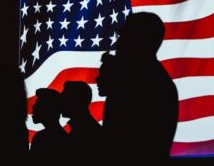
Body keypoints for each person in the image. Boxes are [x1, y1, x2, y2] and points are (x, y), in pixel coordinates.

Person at [96, 12, 179, 165]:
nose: (118, 43)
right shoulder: (150, 81)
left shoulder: (147, 85)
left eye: (124, 36)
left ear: (138, 40)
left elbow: (123, 144)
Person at [61, 81, 103, 166]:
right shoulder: (86, 127)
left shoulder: (87, 132)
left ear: (76, 101)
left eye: (65, 97)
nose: (61, 102)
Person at [29, 88, 67, 166]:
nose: (33, 107)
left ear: (48, 108)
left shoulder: (42, 138)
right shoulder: (61, 136)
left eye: (38, 103)